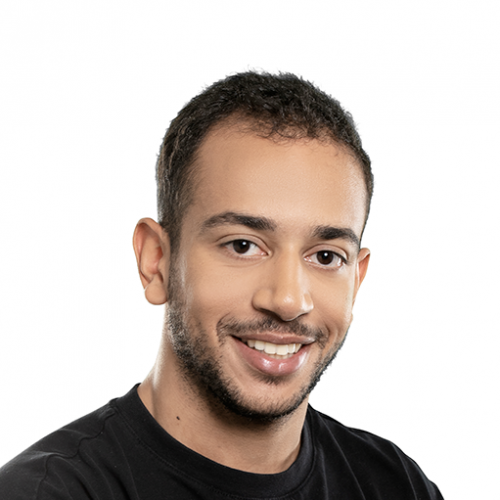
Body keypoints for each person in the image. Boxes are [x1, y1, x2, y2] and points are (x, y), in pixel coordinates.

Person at [0, 71, 443, 499]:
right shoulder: (49, 492)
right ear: (157, 261)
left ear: (357, 280)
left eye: (326, 256)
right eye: (243, 246)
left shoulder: (395, 485)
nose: (288, 300)